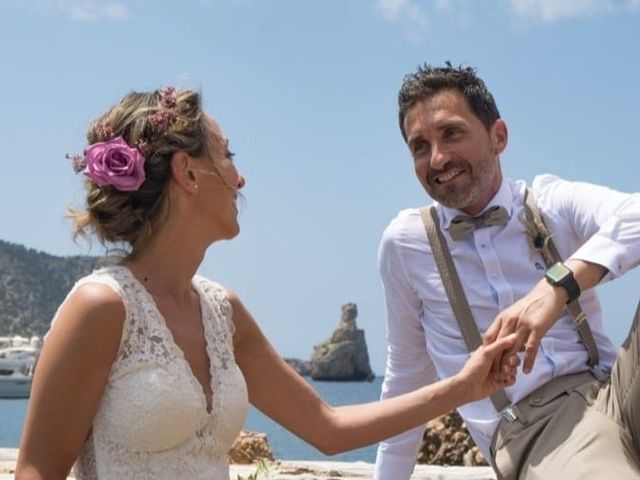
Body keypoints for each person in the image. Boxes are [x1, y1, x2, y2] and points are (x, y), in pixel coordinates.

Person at [15, 87, 519, 480]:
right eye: (228, 155)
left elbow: (328, 427)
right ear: (187, 172)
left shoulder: (221, 312)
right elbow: (37, 471)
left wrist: (464, 386)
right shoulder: (101, 307)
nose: (241, 178)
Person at [374, 62, 640, 480]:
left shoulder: (550, 202)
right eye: (419, 146)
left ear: (498, 137)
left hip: (617, 387)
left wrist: (556, 288)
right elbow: (407, 377)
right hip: (537, 427)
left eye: (451, 133)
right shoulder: (407, 244)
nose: (438, 158)